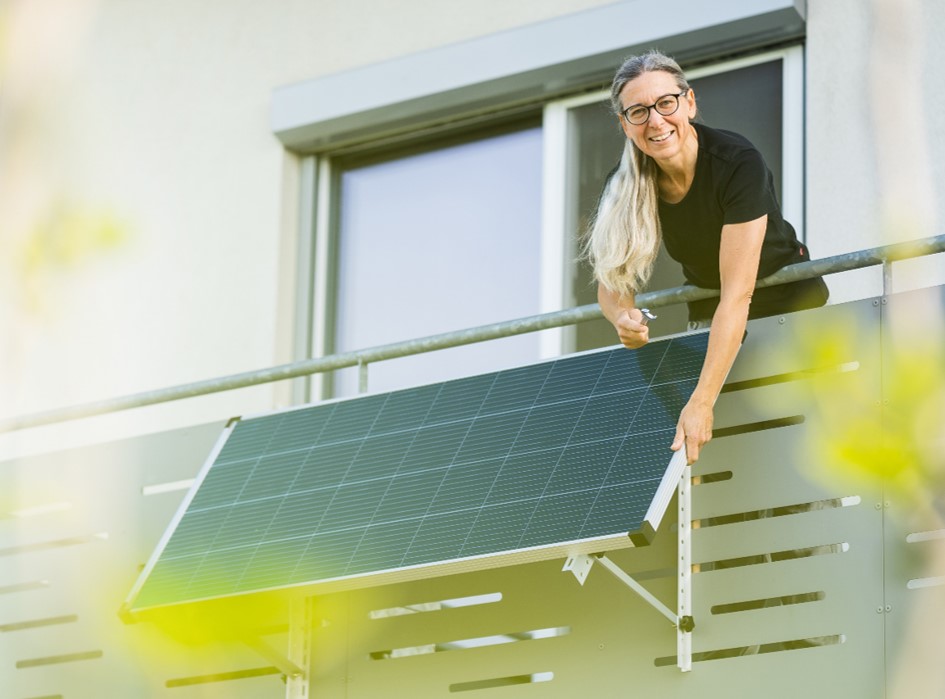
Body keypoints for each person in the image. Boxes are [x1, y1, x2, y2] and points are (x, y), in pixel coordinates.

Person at [586, 50, 828, 464]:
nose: (656, 121)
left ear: (689, 102)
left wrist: (701, 400)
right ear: (624, 125)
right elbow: (612, 286)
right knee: (725, 453)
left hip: (786, 300)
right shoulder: (623, 184)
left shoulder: (737, 162)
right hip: (709, 305)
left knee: (793, 444)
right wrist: (622, 317)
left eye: (666, 103)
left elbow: (739, 294)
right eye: (639, 111)